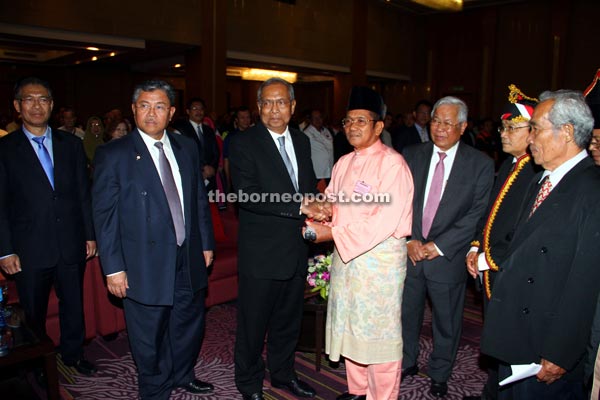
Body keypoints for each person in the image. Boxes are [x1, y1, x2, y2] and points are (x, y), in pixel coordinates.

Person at [92, 80, 215, 400]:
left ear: (171, 112)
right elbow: (104, 215)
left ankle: (183, 373)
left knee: (188, 321)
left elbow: (198, 199)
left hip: (187, 254)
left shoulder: (186, 146)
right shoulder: (114, 154)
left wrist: (205, 243)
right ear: (133, 110)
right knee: (149, 333)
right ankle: (155, 389)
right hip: (142, 262)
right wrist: (113, 267)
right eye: (144, 105)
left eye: (159, 106)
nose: (151, 113)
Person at [479, 90, 600, 399]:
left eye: (536, 129)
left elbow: (585, 283)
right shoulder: (541, 178)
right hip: (517, 333)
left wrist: (561, 351)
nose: (529, 138)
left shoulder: (591, 190)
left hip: (547, 344)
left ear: (568, 133)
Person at [305, 86, 414, 400]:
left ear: (378, 126)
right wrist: (321, 211)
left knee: (379, 334)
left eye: (361, 121)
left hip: (379, 262)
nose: (352, 127)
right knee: (351, 323)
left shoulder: (392, 164)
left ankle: (381, 396)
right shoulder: (343, 163)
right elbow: (335, 204)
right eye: (348, 121)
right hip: (348, 257)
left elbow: (385, 220)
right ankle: (358, 389)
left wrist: (333, 233)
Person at [0, 77, 97, 376]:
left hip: (70, 241)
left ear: (52, 106)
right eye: (29, 99)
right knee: (33, 312)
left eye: (43, 99)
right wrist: (5, 250)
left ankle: (73, 353)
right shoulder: (5, 148)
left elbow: (83, 193)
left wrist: (90, 235)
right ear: (18, 107)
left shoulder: (71, 144)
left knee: (73, 305)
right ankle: (36, 363)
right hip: (29, 247)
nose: (36, 105)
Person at [229, 77, 319, 400]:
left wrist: (318, 206)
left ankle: (283, 374)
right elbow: (246, 195)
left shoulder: (302, 141)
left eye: (281, 102)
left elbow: (305, 187)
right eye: (267, 102)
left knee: (287, 323)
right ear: (258, 107)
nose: (274, 109)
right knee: (253, 326)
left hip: (296, 250)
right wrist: (299, 205)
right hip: (261, 253)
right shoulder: (243, 143)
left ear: (293, 107)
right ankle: (249, 384)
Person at [401, 96, 494, 398]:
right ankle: (407, 361)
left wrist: (438, 246)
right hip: (412, 252)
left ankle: (440, 372)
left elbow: (477, 214)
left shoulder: (480, 164)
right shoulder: (411, 154)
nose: (439, 128)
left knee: (447, 320)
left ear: (463, 126)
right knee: (406, 314)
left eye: (447, 123)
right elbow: (401, 201)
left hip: (447, 256)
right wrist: (411, 239)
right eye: (435, 121)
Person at [463, 85, 539, 400]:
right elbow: (489, 213)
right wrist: (474, 246)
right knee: (493, 336)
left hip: (507, 270)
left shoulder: (536, 171)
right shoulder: (509, 164)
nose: (503, 133)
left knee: (509, 341)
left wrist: (487, 258)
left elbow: (523, 230)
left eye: (512, 127)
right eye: (503, 127)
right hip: (490, 265)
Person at [172, 97, 220, 192]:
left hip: (210, 176)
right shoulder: (181, 130)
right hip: (193, 175)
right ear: (188, 111)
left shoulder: (209, 130)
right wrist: (202, 169)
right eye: (195, 109)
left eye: (201, 109)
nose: (199, 112)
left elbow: (216, 152)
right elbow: (183, 155)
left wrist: (212, 167)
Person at [303, 109, 334, 183]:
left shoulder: (326, 130)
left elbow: (330, 145)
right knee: (317, 193)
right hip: (317, 172)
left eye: (319, 117)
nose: (318, 120)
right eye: (315, 118)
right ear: (310, 120)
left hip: (329, 168)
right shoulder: (306, 133)